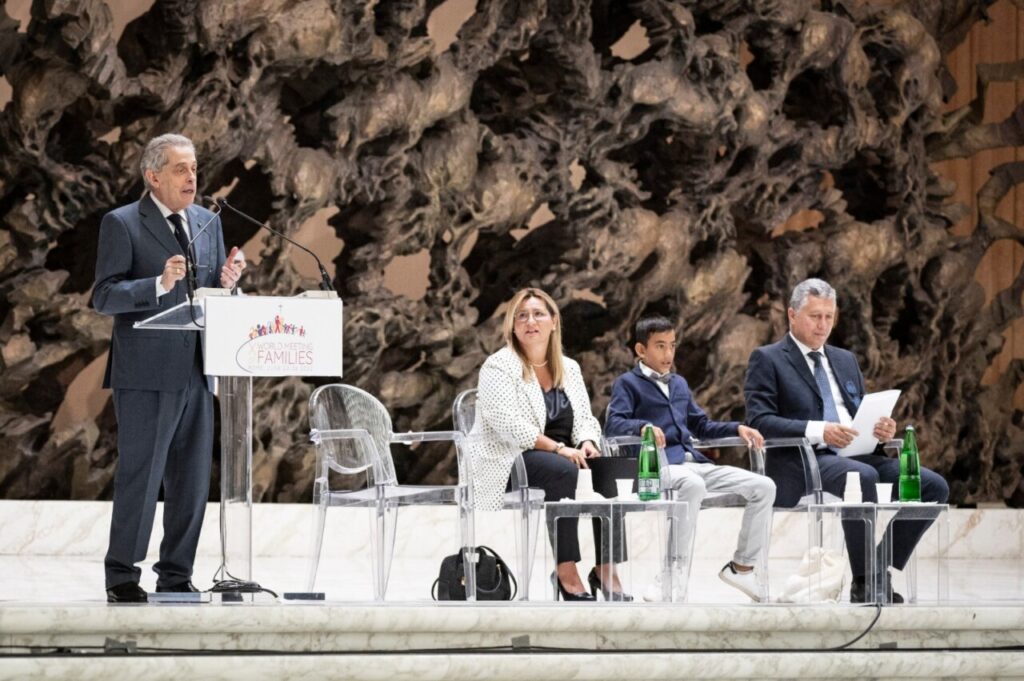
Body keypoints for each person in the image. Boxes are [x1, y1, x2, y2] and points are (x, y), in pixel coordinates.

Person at [93, 133, 245, 603]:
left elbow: (208, 297)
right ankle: (122, 575)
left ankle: (176, 573)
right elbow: (104, 296)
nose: (192, 177)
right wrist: (157, 284)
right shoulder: (123, 223)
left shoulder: (207, 222)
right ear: (153, 176)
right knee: (141, 477)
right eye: (181, 169)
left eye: (194, 168)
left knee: (192, 481)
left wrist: (228, 284)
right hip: (146, 374)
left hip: (199, 370)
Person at [744, 278, 949, 603]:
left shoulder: (844, 360)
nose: (823, 325)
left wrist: (879, 431)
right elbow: (759, 422)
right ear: (792, 315)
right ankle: (865, 582)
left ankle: (879, 565)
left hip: (856, 453)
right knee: (860, 476)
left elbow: (856, 414)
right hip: (803, 461)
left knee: (933, 486)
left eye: (829, 316)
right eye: (815, 316)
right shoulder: (768, 359)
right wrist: (819, 430)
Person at [469, 288, 626, 601]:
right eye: (522, 316)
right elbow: (506, 424)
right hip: (509, 458)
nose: (531, 321)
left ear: (554, 322)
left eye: (538, 314)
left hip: (564, 454)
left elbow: (584, 416)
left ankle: (605, 570)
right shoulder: (499, 366)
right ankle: (566, 573)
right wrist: (558, 448)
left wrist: (587, 441)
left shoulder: (569, 368)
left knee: (606, 471)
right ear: (513, 326)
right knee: (562, 471)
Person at [605, 316, 774, 602]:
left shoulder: (679, 384)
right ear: (641, 350)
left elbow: (701, 426)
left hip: (691, 464)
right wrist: (643, 427)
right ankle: (671, 574)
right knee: (692, 484)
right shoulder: (627, 384)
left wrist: (737, 428)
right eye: (660, 346)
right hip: (654, 468)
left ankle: (742, 567)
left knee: (764, 486)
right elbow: (613, 425)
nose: (668, 353)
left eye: (672, 345)